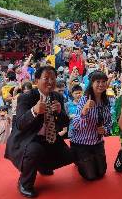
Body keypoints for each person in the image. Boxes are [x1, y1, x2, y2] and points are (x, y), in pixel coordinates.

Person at [5, 66, 73, 198]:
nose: (50, 82)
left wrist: (60, 112)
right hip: (28, 139)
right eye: (46, 78)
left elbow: (65, 123)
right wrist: (34, 111)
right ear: (36, 80)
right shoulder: (26, 97)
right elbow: (19, 124)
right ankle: (25, 183)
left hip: (50, 139)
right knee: (35, 150)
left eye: (53, 79)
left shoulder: (58, 96)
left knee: (71, 155)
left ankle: (42, 166)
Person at [70, 71, 112, 181]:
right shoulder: (84, 99)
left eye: (103, 82)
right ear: (92, 83)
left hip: (97, 142)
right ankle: (76, 156)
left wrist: (105, 129)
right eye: (98, 81)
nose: (101, 84)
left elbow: (108, 123)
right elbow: (75, 124)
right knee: (90, 176)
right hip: (81, 143)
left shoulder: (106, 102)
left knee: (101, 173)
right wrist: (84, 111)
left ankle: (88, 159)